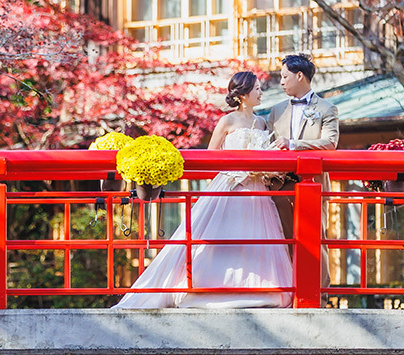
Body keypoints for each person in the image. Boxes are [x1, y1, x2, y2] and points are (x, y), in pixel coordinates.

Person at [114, 71, 292, 309]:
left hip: (257, 189)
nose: (261, 92)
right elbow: (211, 156)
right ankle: (209, 289)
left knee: (256, 239)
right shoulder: (227, 121)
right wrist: (238, 168)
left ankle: (259, 290)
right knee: (222, 239)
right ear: (242, 94)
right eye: (257, 88)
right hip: (231, 185)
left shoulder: (261, 122)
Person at [265, 53, 339, 285]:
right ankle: (287, 292)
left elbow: (330, 143)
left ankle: (320, 293)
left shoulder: (327, 108)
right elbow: (268, 145)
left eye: (284, 76)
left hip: (313, 184)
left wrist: (294, 144)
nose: (281, 82)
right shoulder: (276, 110)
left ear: (300, 76)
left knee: (315, 239)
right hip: (279, 185)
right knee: (283, 239)